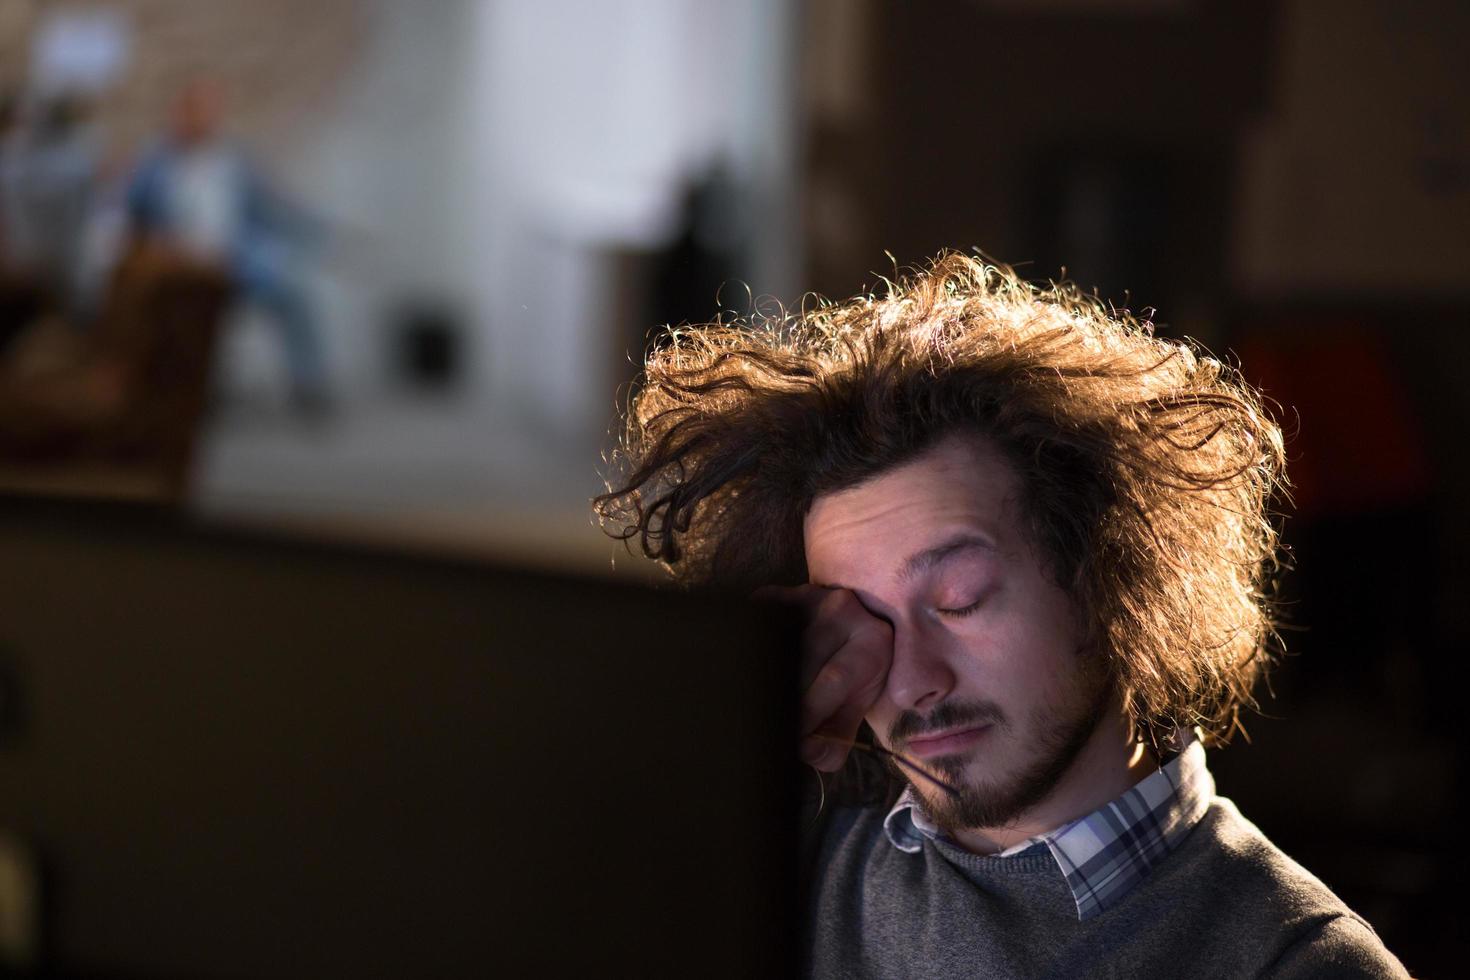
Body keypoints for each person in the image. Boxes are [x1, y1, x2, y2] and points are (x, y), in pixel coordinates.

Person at [595, 254, 1410, 978]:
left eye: (959, 600)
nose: (911, 680)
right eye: (863, 619)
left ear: (1109, 575)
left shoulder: (1298, 962)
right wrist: (714, 729)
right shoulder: (782, 861)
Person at [125, 78, 329, 413]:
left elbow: (274, 209)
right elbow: (133, 215)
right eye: (192, 110)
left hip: (237, 258)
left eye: (207, 110)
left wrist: (315, 233)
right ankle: (185, 387)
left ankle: (309, 385)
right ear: (178, 113)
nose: (199, 118)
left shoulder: (236, 160)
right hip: (180, 263)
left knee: (294, 289)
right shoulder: (154, 162)